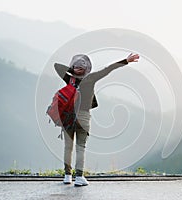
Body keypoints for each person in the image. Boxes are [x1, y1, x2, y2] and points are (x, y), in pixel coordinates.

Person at [54, 53, 139, 186]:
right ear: (87, 69)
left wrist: (72, 70)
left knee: (67, 147)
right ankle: (79, 177)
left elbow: (57, 66)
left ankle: (67, 176)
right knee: (80, 147)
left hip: (68, 116)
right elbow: (108, 69)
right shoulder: (91, 78)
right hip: (83, 117)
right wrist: (126, 61)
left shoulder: (69, 79)